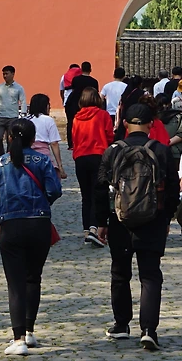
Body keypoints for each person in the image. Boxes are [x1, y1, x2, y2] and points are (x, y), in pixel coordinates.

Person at [96, 103, 179, 350]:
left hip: (119, 221)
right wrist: (167, 217)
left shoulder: (113, 151)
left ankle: (121, 325)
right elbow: (173, 188)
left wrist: (101, 222)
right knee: (150, 275)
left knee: (120, 273)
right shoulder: (161, 150)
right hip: (153, 219)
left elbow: (99, 189)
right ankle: (149, 329)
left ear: (124, 123)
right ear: (151, 124)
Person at [0, 118, 63, 356]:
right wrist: (42, 203)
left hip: (11, 225)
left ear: (8, 137)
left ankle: (18, 339)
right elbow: (55, 190)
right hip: (39, 223)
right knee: (33, 278)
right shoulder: (43, 161)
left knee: (15, 283)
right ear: (33, 139)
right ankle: (29, 331)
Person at [69, 87, 115, 247]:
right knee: (98, 193)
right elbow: (109, 135)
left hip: (80, 158)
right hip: (98, 156)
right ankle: (95, 228)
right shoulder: (103, 115)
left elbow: (74, 138)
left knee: (85, 195)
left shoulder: (76, 118)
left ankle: (86, 229)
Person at [23, 93, 65, 178]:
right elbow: (54, 143)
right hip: (44, 155)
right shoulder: (48, 120)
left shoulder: (24, 120)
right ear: (45, 106)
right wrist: (60, 166)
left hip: (26, 156)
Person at [0, 65, 27, 156]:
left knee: (10, 139)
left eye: (6, 74)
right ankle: (1, 155)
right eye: (3, 74)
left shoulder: (19, 88)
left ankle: (8, 155)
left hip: (13, 117)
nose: (5, 76)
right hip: (0, 116)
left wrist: (23, 115)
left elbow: (23, 101)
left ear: (13, 74)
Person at [65, 62, 99, 142]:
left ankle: (71, 142)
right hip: (89, 105)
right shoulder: (94, 82)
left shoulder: (76, 79)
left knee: (71, 123)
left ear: (81, 69)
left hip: (75, 103)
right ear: (90, 69)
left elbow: (73, 90)